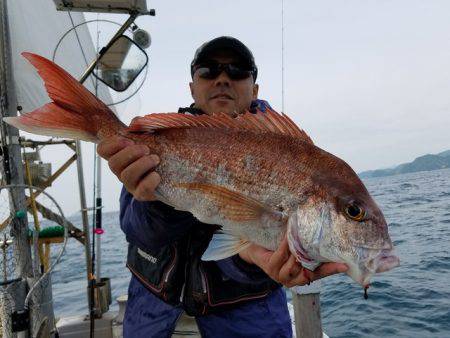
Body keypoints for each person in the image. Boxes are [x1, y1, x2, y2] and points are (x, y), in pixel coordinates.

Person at [97, 36, 347, 338]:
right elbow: (136, 230)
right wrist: (155, 201)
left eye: (238, 70)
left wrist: (255, 260)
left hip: (248, 314)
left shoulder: (287, 153)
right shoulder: (160, 143)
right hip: (151, 310)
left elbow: (255, 237)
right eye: (209, 70)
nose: (223, 79)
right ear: (192, 87)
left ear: (254, 89)